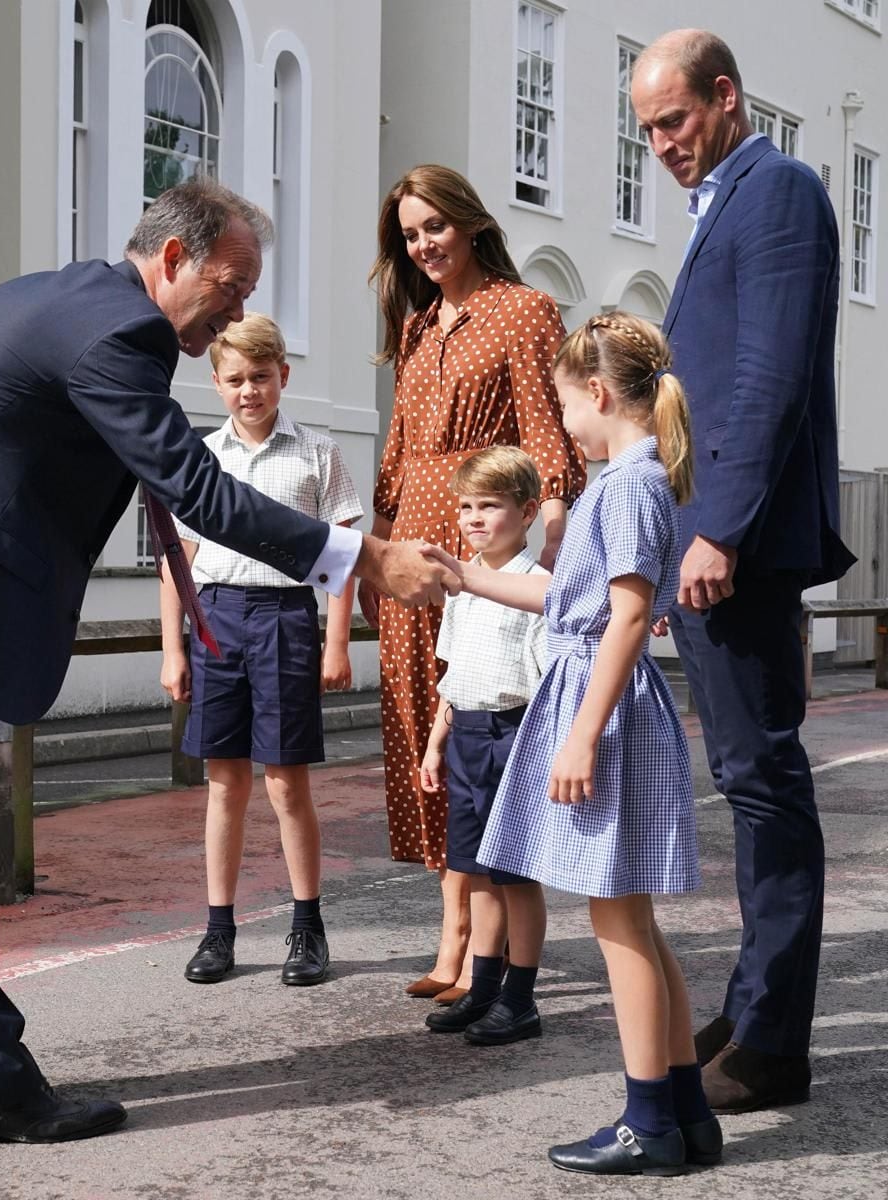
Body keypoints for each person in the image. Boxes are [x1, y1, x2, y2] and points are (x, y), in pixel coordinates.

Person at [0, 178, 457, 1147]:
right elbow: (199, 491)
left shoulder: (78, 299)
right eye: (232, 285)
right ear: (176, 259)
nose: (239, 308)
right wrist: (367, 557)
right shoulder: (120, 333)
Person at [431, 313, 721, 1175]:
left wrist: (582, 734)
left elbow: (627, 614)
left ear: (596, 394)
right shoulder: (631, 478)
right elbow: (573, 603)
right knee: (631, 919)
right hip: (602, 694)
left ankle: (648, 1122)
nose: (564, 424)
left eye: (565, 407)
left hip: (606, 706)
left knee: (617, 920)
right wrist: (465, 575)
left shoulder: (625, 485)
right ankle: (682, 1113)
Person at [631, 30, 855, 1113]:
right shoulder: (730, 199)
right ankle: (751, 1006)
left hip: (741, 548)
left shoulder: (780, 190)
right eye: (647, 131)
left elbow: (765, 377)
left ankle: (771, 1040)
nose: (662, 144)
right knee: (750, 784)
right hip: (718, 541)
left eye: (673, 120)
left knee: (766, 787)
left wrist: (714, 529)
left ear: (725, 97)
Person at [361, 165, 585, 1003]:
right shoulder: (418, 328)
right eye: (410, 235)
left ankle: (476, 938)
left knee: (479, 729)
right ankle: (451, 924)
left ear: (469, 222)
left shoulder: (523, 310)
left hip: (480, 544)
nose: (423, 245)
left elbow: (546, 432)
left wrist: (554, 526)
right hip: (410, 553)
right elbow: (395, 453)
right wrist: (374, 551)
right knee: (423, 732)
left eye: (434, 227)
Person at [158, 313, 363, 988]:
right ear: (215, 382)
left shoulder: (317, 454)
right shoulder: (202, 458)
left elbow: (342, 557)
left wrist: (337, 641)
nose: (250, 391)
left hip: (285, 619)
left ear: (284, 375)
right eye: (236, 379)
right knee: (225, 782)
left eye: (262, 377)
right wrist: (174, 650)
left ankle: (307, 926)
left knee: (285, 782)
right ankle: (219, 930)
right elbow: (177, 564)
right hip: (216, 618)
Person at [417, 446, 549, 1041]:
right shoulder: (461, 585)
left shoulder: (539, 587)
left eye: (489, 506)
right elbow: (455, 675)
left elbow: (549, 681)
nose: (473, 517)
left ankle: (520, 999)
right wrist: (435, 744)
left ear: (525, 513)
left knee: (515, 876)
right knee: (476, 873)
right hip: (467, 735)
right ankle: (484, 987)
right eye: (466, 505)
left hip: (515, 736)